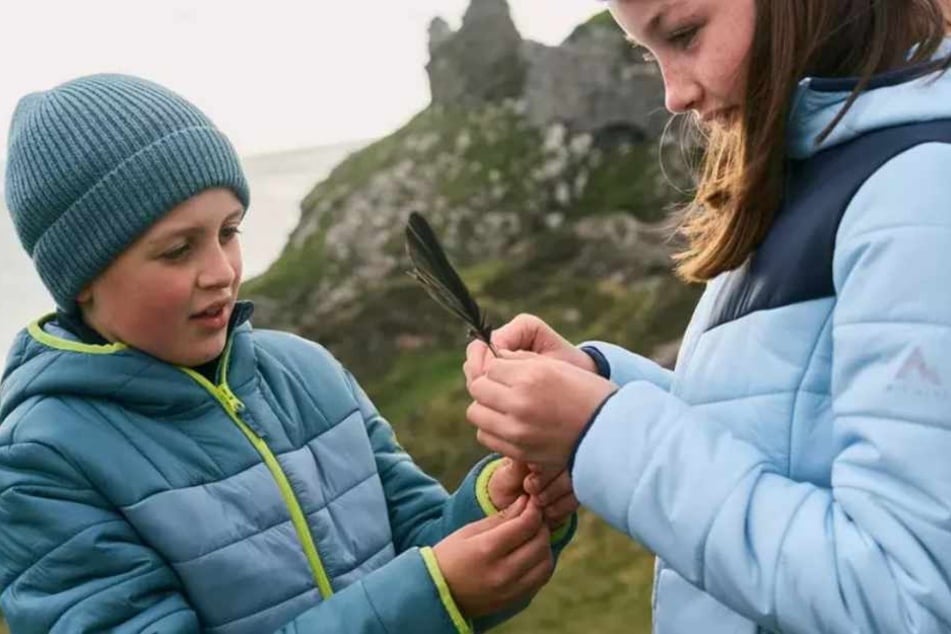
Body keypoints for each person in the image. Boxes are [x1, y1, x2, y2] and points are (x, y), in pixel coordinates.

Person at [0, 74, 577, 634]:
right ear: (82, 278)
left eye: (229, 232)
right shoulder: (40, 463)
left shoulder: (307, 371)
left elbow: (421, 543)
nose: (222, 273)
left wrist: (497, 508)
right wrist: (436, 595)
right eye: (178, 250)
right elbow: (428, 588)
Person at [463, 0, 951, 632]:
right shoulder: (817, 167)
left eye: (685, 34)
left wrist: (599, 430)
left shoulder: (921, 189)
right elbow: (789, 433)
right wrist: (603, 384)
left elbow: (906, 597)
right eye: (648, 53)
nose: (671, 95)